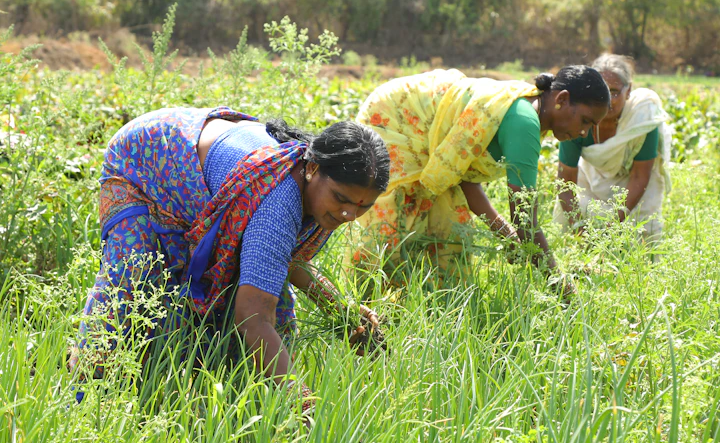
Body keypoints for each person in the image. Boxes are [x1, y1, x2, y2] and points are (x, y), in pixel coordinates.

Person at [72, 106, 390, 412]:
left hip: (197, 162)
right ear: (312, 168)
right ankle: (81, 399)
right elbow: (252, 317)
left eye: (363, 207)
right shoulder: (278, 199)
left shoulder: (323, 195)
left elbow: (284, 259)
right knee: (131, 280)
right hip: (147, 159)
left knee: (270, 299)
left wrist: (342, 310)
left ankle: (241, 404)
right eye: (342, 200)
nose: (350, 214)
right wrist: (303, 400)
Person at [353, 67, 609, 287]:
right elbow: (525, 220)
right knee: (392, 227)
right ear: (562, 100)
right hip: (396, 119)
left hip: (414, 121)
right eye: (585, 121)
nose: (585, 133)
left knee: (449, 232)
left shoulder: (533, 111)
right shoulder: (525, 121)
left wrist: (504, 233)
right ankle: (357, 313)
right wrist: (559, 284)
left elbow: (461, 174)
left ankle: (424, 311)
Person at [556, 54, 671, 239]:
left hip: (632, 187)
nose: (607, 98)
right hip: (592, 177)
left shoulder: (642, 119)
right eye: (600, 90)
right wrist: (579, 230)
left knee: (641, 233)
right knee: (570, 217)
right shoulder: (577, 117)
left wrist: (611, 227)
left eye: (614, 91)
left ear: (629, 90)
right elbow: (565, 182)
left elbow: (639, 176)